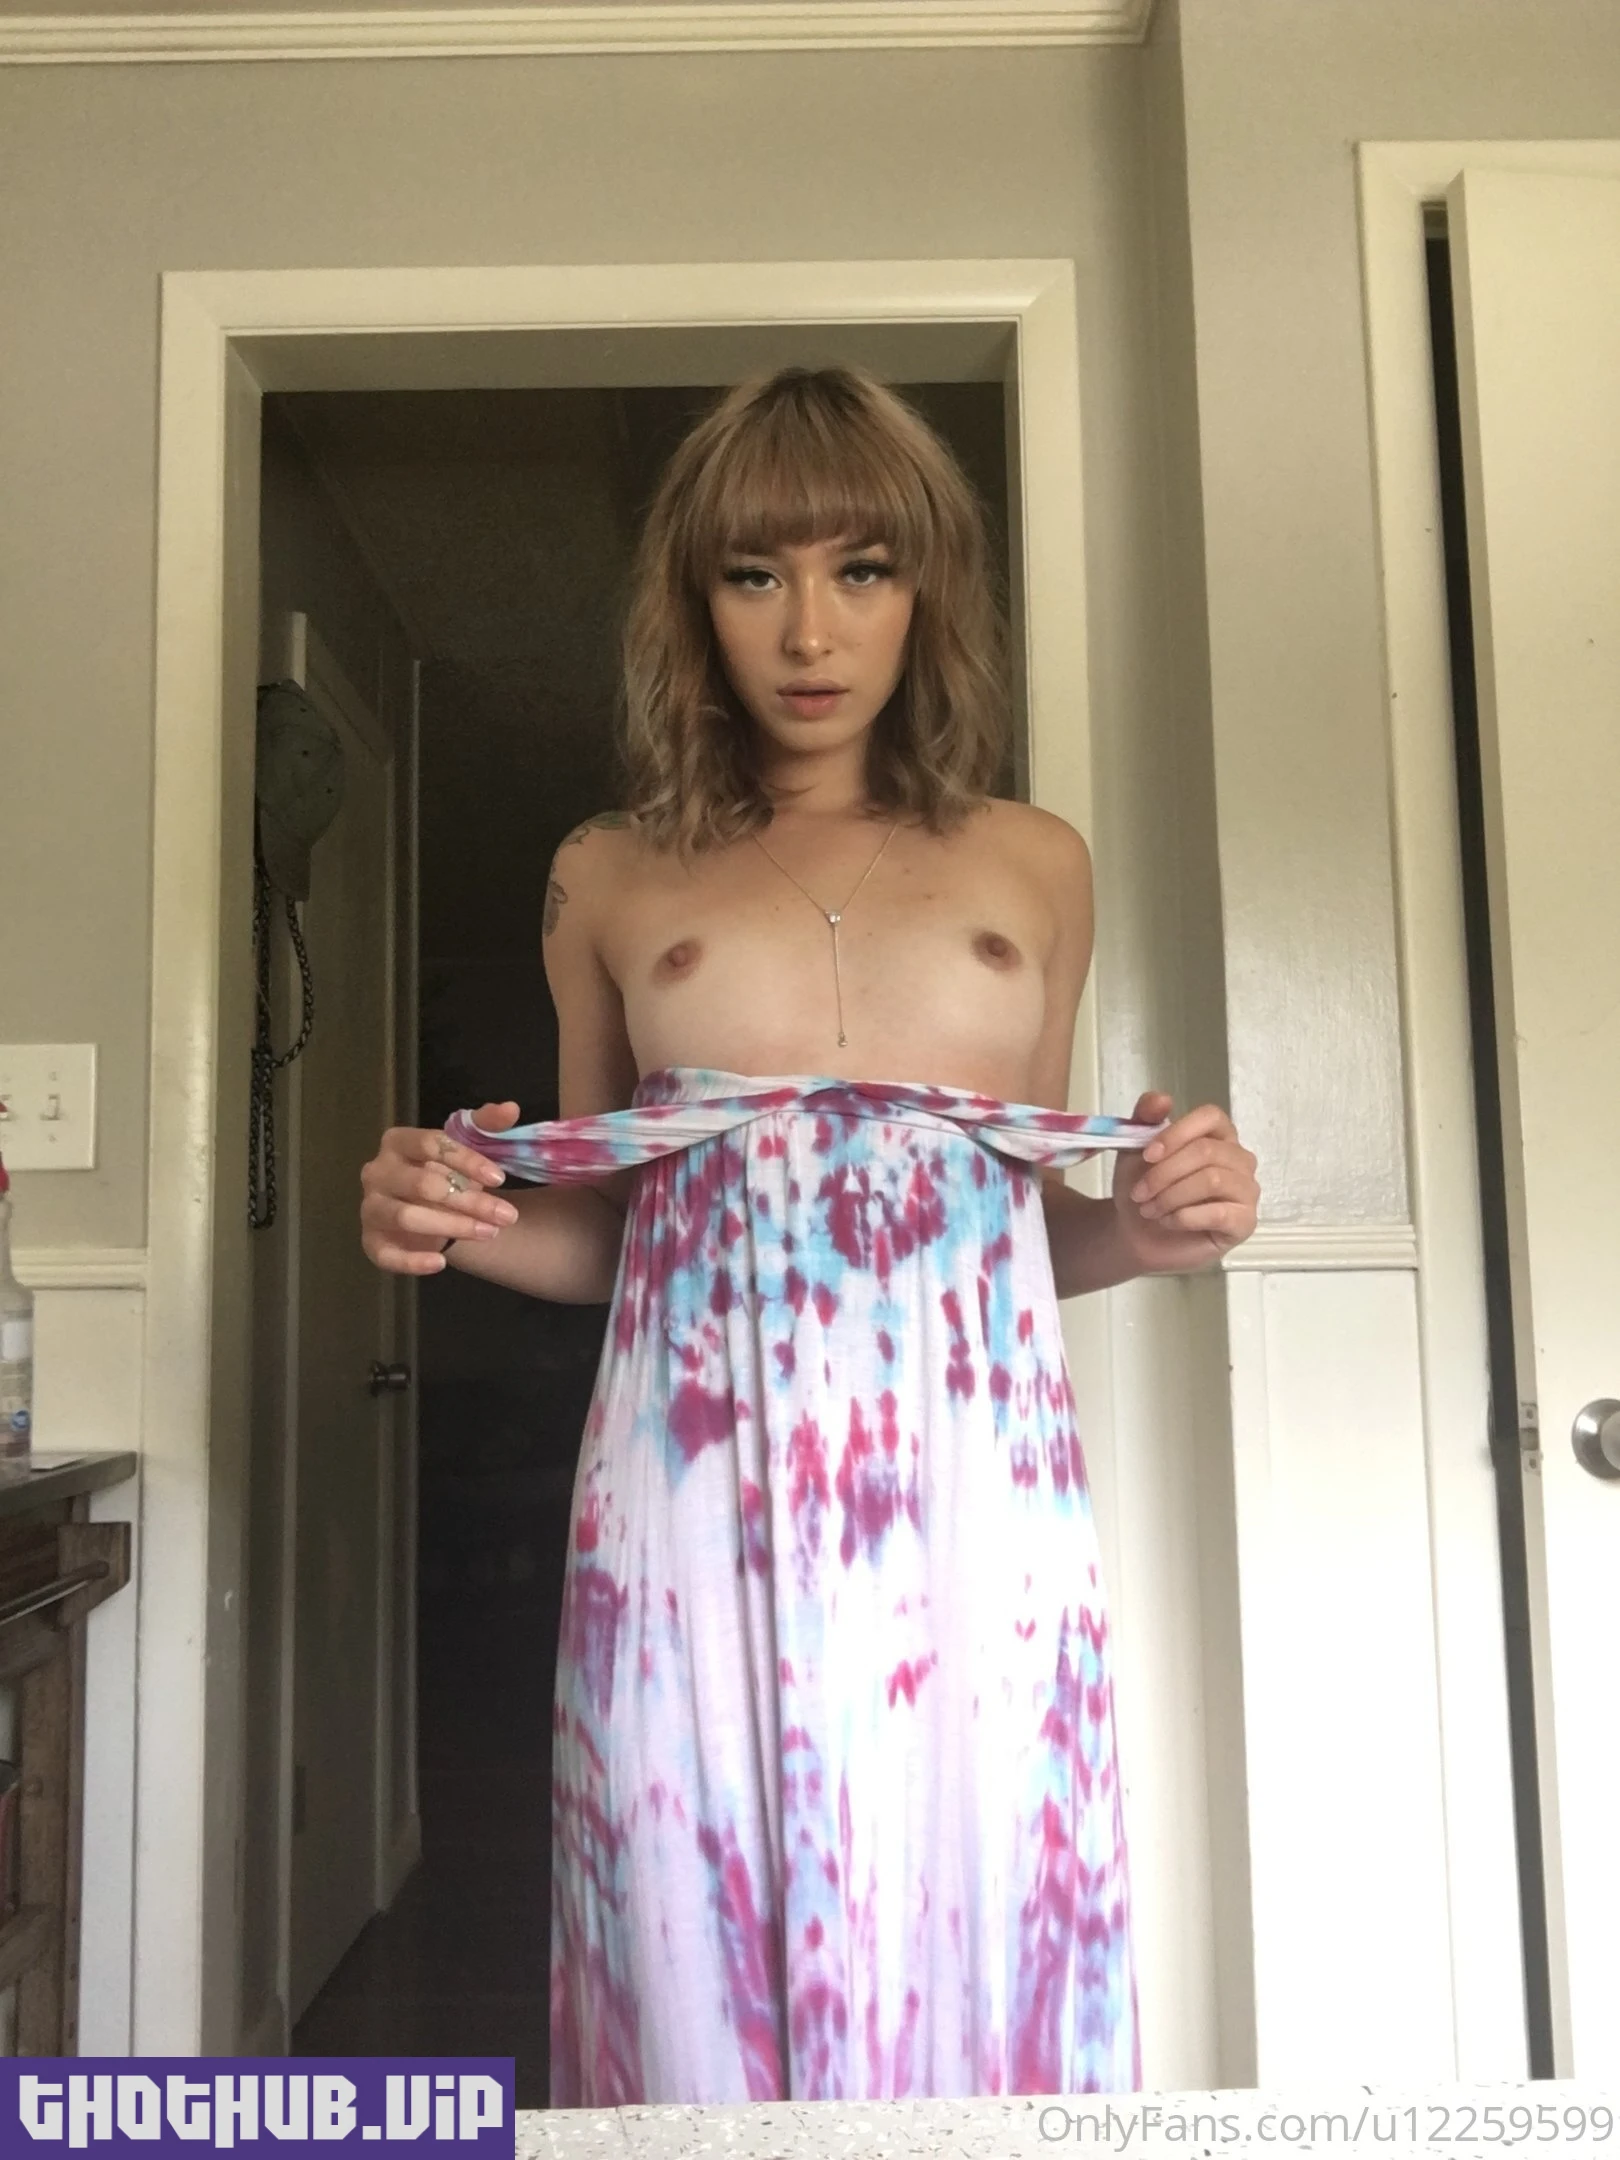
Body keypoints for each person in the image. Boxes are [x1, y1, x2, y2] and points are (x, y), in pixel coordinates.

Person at [359, 365, 1260, 2105]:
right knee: (684, 1909)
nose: (810, 630)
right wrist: (448, 1221)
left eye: (863, 568)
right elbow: (614, 1242)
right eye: (755, 574)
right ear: (693, 604)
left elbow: (1023, 1235)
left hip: (976, 1502)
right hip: (690, 1506)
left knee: (983, 1898)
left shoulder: (1037, 862)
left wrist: (1153, 1232)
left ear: (928, 590)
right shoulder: (606, 871)